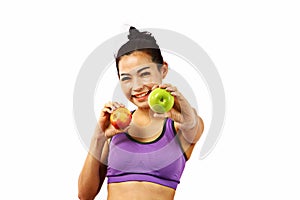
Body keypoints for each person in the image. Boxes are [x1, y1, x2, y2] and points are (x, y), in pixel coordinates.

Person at [78, 27, 204, 200]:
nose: (136, 87)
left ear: (163, 70)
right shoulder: (114, 130)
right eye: (126, 78)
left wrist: (183, 109)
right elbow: (85, 195)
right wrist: (99, 136)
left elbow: (193, 125)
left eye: (144, 74)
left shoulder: (178, 126)